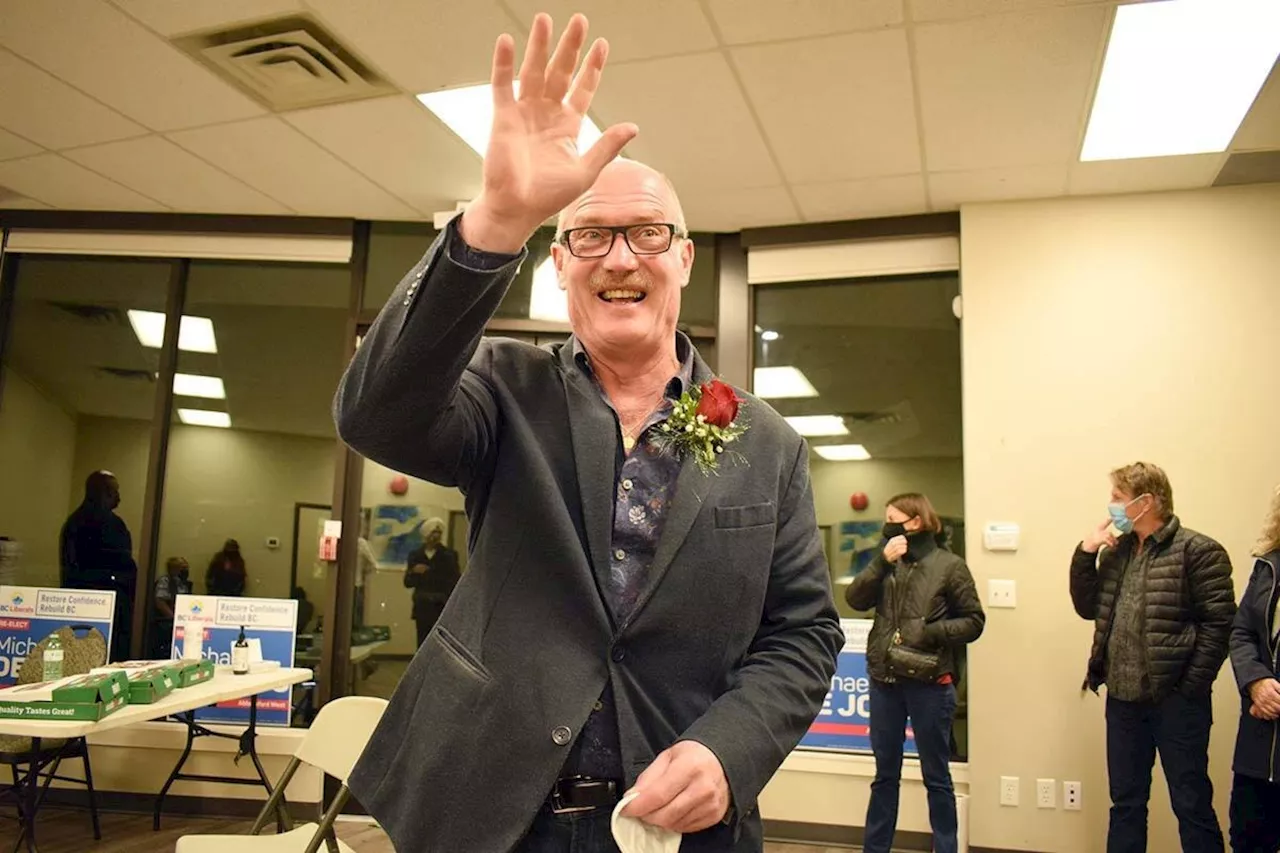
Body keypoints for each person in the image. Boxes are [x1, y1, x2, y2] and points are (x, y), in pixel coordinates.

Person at [331, 13, 843, 852]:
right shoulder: (502, 387)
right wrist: (495, 219)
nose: (620, 257)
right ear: (559, 263)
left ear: (683, 258)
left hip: (672, 822)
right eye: (589, 234)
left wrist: (730, 749)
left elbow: (803, 631)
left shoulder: (769, 442)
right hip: (490, 812)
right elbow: (373, 412)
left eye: (647, 233)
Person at [1069, 462, 1236, 853]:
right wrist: (1086, 552)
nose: (1110, 506)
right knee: (1125, 805)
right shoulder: (1117, 552)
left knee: (1191, 803)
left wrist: (1189, 687)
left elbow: (1220, 626)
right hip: (1123, 702)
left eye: (1117, 498)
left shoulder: (1200, 551)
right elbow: (1087, 605)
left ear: (1146, 503)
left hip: (1177, 703)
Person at [845, 493, 984, 853]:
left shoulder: (950, 566)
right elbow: (855, 599)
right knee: (884, 777)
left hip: (930, 684)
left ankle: (946, 847)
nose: (886, 525)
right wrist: (880, 562)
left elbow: (974, 621)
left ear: (915, 522)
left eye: (893, 518)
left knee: (937, 777)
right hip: (884, 681)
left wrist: (930, 632)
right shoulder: (886, 563)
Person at [1228, 485, 1280, 852]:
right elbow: (1242, 631)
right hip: (1259, 745)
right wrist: (1256, 681)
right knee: (1247, 838)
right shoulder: (1268, 565)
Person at [60, 470, 137, 662]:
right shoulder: (111, 524)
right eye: (115, 491)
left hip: (77, 603)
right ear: (105, 492)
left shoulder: (73, 522)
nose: (119, 497)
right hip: (109, 603)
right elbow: (123, 564)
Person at [402, 517, 460, 648]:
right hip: (422, 607)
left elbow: (455, 581)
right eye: (433, 533)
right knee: (422, 643)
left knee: (440, 645)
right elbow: (407, 582)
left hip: (440, 606)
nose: (436, 536)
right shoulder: (415, 555)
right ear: (426, 534)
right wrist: (414, 572)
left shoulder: (449, 555)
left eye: (439, 533)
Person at [152, 556, 192, 658]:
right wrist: (173, 618)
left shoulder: (183, 584)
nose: (185, 571)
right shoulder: (165, 581)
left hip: (182, 620)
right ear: (174, 568)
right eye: (183, 568)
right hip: (167, 622)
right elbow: (160, 602)